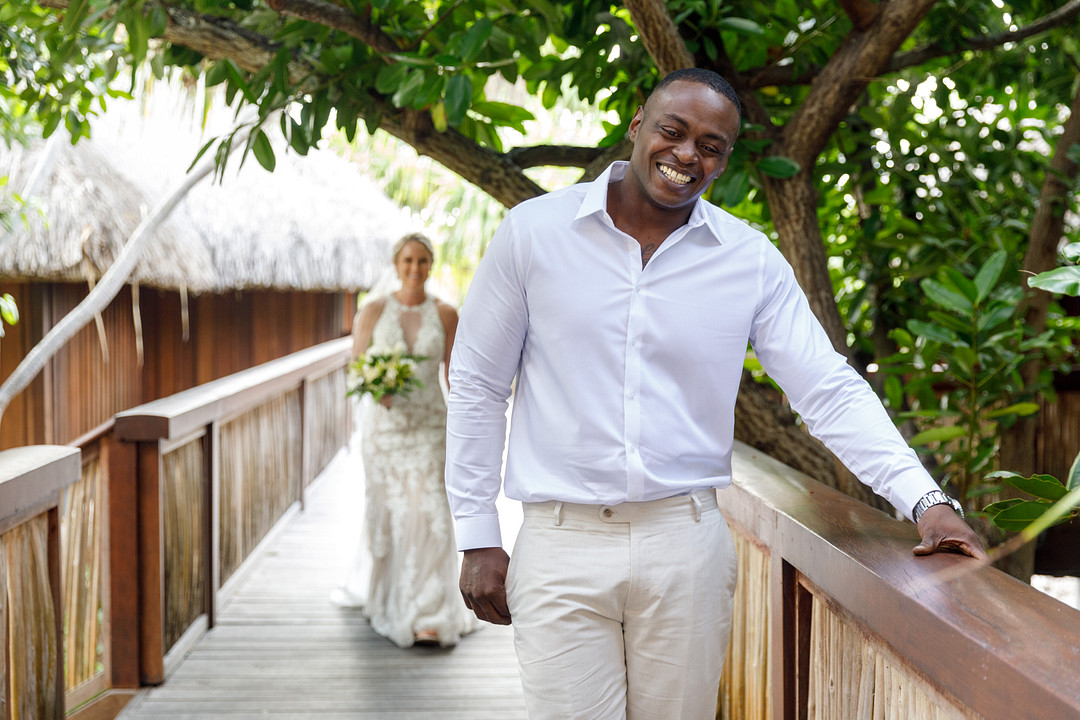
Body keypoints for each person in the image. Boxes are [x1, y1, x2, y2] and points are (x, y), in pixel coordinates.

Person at [444, 68, 988, 718]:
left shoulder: (748, 260)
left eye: (711, 146)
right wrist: (477, 535)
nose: (686, 155)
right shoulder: (534, 233)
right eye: (673, 131)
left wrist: (926, 501)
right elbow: (478, 384)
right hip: (561, 543)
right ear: (637, 126)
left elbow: (828, 388)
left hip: (685, 543)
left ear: (724, 160)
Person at [338, 231, 475, 648]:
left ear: (431, 266)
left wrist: (469, 432)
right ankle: (390, 598)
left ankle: (430, 611)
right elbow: (356, 369)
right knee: (393, 515)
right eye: (408, 261)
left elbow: (456, 376)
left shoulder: (447, 313)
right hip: (386, 432)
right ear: (396, 265)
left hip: (432, 425)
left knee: (431, 510)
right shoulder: (373, 311)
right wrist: (378, 386)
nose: (415, 268)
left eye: (422, 261)